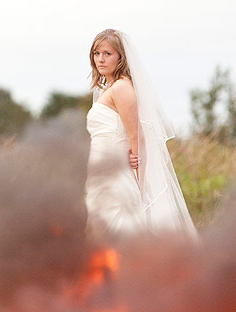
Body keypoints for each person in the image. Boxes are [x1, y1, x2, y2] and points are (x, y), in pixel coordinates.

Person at [84, 29, 198, 242]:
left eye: (108, 53)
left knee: (118, 232)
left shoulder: (121, 88)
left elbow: (138, 136)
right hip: (101, 172)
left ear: (120, 57)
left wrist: (139, 180)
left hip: (118, 176)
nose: (100, 59)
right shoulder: (105, 89)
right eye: (97, 53)